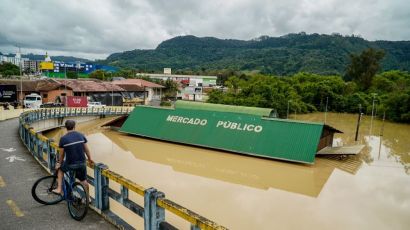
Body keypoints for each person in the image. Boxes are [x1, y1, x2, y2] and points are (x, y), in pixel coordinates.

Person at [52, 120, 93, 195]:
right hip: (82, 163)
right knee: (83, 180)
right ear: (74, 126)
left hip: (71, 164)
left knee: (60, 170)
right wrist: (90, 159)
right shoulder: (81, 135)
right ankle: (88, 198)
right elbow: (86, 150)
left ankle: (59, 189)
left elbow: (61, 155)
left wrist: (58, 163)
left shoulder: (63, 139)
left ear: (65, 127)